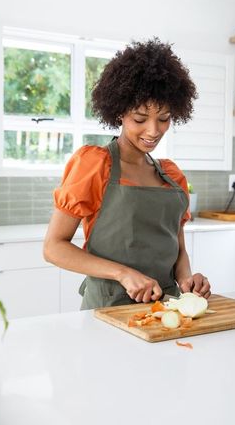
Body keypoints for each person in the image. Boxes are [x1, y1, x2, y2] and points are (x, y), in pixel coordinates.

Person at [44, 38, 211, 310]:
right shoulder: (94, 165)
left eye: (164, 118)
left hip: (166, 309)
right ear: (120, 112)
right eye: (140, 118)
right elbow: (53, 247)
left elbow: (177, 249)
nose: (154, 130)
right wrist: (122, 273)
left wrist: (187, 279)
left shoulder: (172, 176)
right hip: (108, 310)